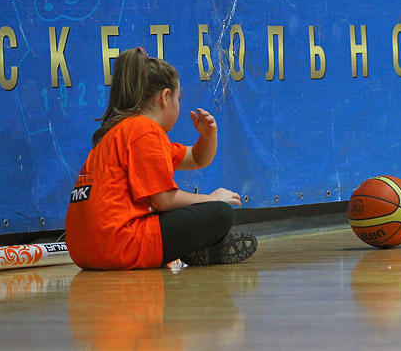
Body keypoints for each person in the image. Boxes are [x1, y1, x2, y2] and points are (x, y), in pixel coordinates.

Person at [65, 47, 257, 270]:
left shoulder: (120, 131)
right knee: (220, 213)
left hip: (82, 251)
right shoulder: (146, 131)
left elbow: (196, 158)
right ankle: (202, 248)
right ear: (165, 97)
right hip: (118, 247)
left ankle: (199, 249)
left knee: (200, 211)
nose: (178, 104)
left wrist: (208, 136)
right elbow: (164, 201)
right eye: (178, 97)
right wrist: (213, 199)